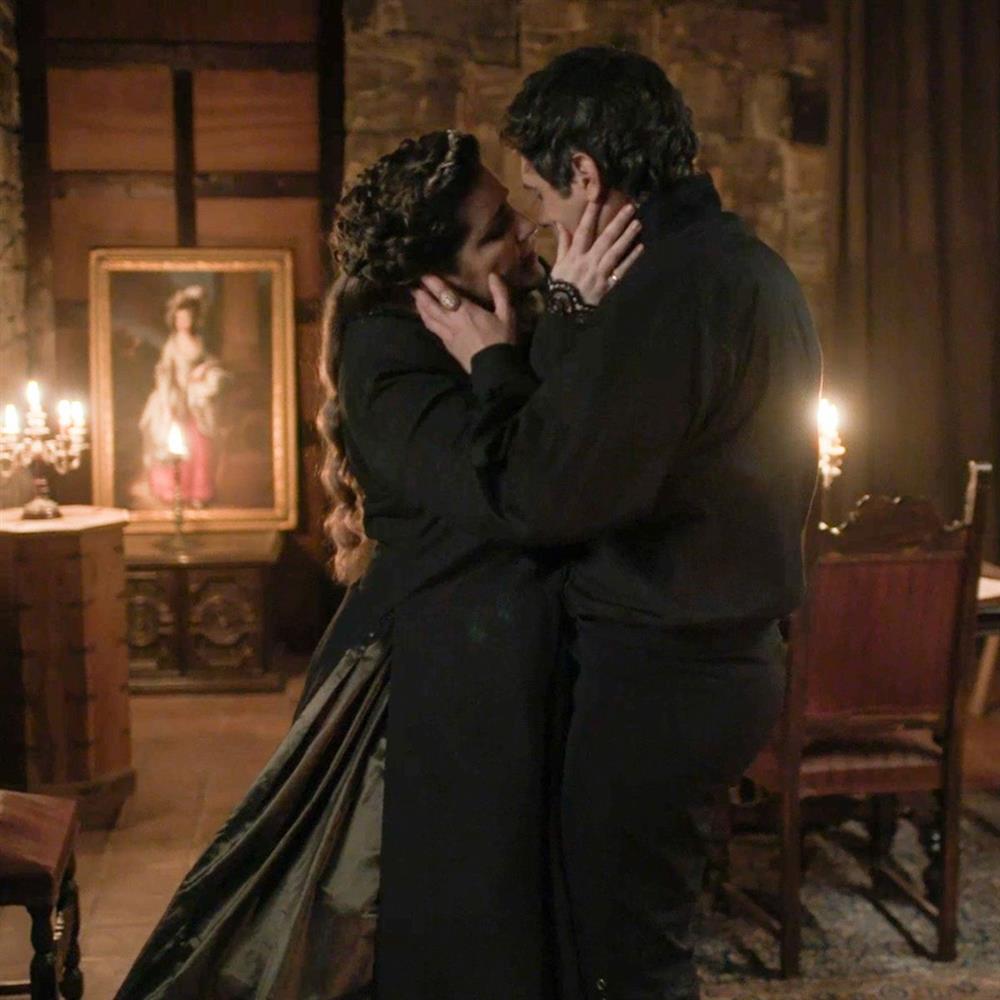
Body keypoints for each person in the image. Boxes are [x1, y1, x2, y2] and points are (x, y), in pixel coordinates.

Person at [114, 129, 640, 1000]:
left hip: (512, 651)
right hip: (439, 673)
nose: (525, 233)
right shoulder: (388, 353)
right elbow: (514, 492)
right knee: (449, 912)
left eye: (513, 214)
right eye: (495, 231)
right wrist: (520, 349)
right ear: (430, 277)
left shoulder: (506, 306)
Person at [415, 47, 824, 1000]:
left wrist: (501, 359)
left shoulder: (664, 290)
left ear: (586, 174)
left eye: (539, 194)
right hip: (723, 662)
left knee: (626, 962)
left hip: (661, 678)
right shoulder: (752, 267)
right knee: (631, 943)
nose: (541, 222)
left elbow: (544, 495)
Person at [139, 284, 228, 507]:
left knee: (199, 447)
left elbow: (209, 361)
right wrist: (169, 393)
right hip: (175, 397)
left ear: (193, 319)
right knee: (174, 442)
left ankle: (198, 492)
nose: (183, 322)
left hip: (195, 400)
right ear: (175, 320)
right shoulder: (172, 343)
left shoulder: (198, 341)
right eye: (179, 318)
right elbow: (164, 369)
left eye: (187, 318)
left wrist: (203, 369)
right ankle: (174, 491)